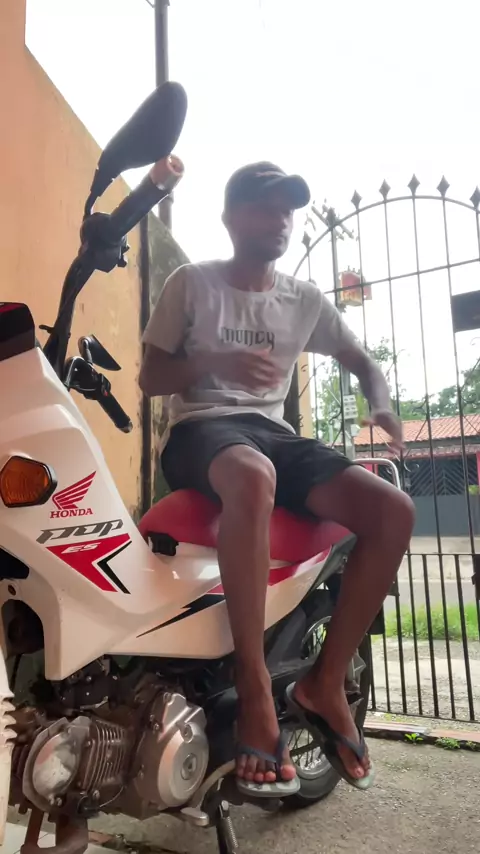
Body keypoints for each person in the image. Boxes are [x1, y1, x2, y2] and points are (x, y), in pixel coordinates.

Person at [139, 162, 415, 796]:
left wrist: (380, 404)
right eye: (265, 207)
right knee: (252, 473)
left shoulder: (304, 300)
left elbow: (362, 361)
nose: (281, 219)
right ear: (231, 218)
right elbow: (152, 378)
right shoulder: (192, 283)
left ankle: (325, 682)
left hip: (275, 436)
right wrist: (215, 359)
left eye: (288, 209)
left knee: (394, 511)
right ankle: (255, 684)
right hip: (201, 432)